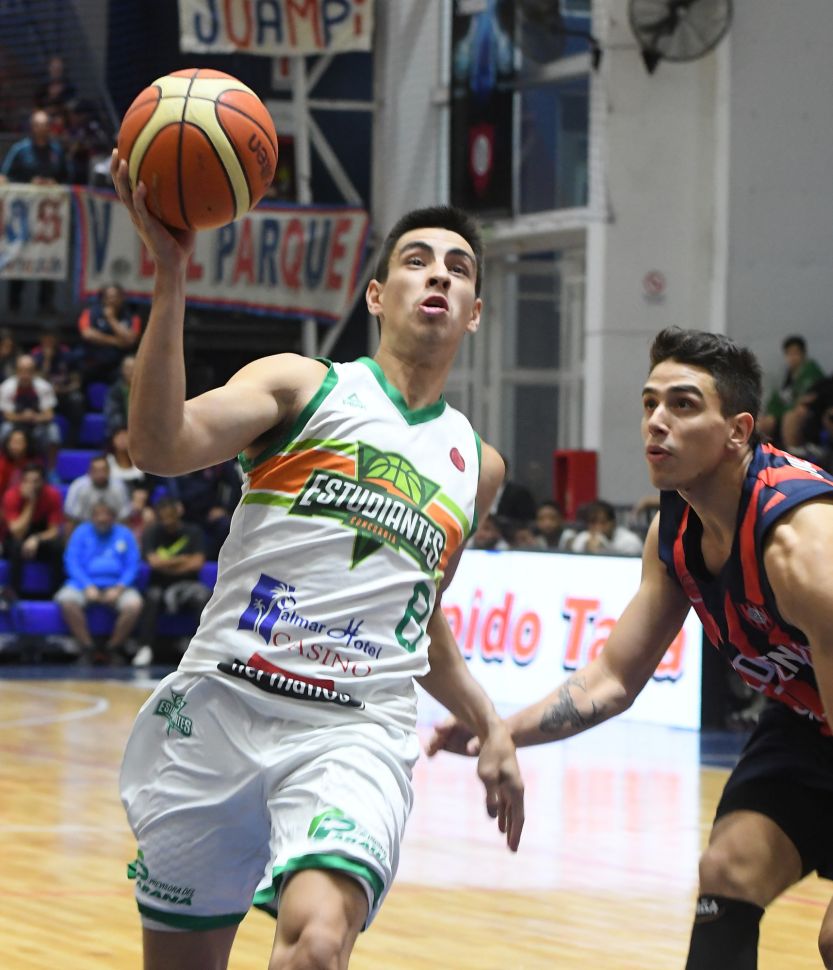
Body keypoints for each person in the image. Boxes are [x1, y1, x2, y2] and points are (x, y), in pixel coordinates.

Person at [111, 151, 524, 970]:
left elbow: (418, 617)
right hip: (221, 705)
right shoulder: (302, 385)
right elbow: (158, 446)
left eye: (458, 269)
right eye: (417, 260)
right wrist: (169, 277)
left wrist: (490, 724)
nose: (438, 276)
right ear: (376, 295)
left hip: (352, 729)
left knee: (318, 941)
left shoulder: (478, 467)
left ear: (474, 312)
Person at [430, 326, 833, 970]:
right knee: (728, 869)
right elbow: (612, 679)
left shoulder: (803, 549)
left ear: (738, 431)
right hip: (808, 718)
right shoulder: (675, 533)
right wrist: (500, 731)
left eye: (683, 404)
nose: (657, 422)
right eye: (650, 403)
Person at [55, 498, 143, 663]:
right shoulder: (81, 532)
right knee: (67, 600)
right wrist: (87, 585)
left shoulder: (125, 534)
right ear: (92, 517)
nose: (102, 519)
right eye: (98, 515)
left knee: (134, 604)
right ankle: (88, 648)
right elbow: (71, 562)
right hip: (83, 584)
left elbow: (133, 565)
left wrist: (119, 588)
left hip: (118, 585)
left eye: (106, 515)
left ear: (113, 517)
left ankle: (112, 648)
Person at [132, 496, 212, 668]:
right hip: (160, 585)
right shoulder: (152, 532)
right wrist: (183, 559)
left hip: (188, 585)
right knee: (151, 597)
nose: (167, 522)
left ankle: (204, 649)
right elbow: (154, 562)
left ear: (178, 514)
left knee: (203, 596)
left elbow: (197, 562)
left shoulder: (193, 532)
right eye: (163, 518)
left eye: (170, 517)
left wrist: (166, 564)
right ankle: (145, 648)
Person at [1, 462, 64, 602]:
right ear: (21, 481)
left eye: (36, 481)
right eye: (27, 481)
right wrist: (31, 502)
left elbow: (54, 530)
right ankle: (13, 594)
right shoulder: (11, 495)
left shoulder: (52, 494)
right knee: (16, 546)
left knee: (58, 547)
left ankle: (56, 593)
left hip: (39, 537)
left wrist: (36, 538)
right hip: (16, 538)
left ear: (43, 481)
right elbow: (17, 532)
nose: (32, 485)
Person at [758, 335, 825, 449]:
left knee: (790, 416)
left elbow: (811, 396)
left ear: (803, 354)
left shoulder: (812, 371)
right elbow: (777, 398)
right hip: (782, 411)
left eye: (796, 353)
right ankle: (761, 451)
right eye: (789, 354)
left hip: (805, 412)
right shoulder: (786, 375)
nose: (792, 357)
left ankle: (793, 452)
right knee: (764, 421)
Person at [0, 354, 62, 470]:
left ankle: (51, 469)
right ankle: (3, 466)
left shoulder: (44, 387)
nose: (25, 374)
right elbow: (7, 415)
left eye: (29, 370)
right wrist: (23, 417)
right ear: (16, 370)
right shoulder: (6, 387)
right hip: (15, 424)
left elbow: (49, 415)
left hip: (37, 423)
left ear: (34, 371)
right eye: (22, 370)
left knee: (53, 432)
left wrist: (34, 417)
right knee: (4, 430)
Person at [31, 322, 85, 446]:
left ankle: (72, 443)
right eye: (46, 339)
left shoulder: (67, 354)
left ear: (57, 339)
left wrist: (63, 390)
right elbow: (35, 381)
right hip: (43, 396)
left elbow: (77, 382)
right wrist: (47, 361)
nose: (49, 343)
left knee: (77, 400)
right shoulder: (35, 355)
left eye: (51, 339)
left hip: (64, 394)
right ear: (41, 339)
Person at [75, 284, 141, 385]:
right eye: (108, 297)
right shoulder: (90, 312)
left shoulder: (132, 316)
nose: (112, 300)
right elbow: (87, 334)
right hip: (93, 361)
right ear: (103, 299)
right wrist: (116, 341)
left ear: (122, 298)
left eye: (115, 296)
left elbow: (131, 340)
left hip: (118, 365)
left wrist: (111, 318)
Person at [63, 453, 131, 529]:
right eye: (96, 470)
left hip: (113, 529)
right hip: (84, 528)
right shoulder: (79, 487)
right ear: (89, 471)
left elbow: (125, 516)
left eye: (103, 470)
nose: (100, 474)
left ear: (109, 471)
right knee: (69, 525)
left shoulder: (119, 487)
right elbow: (71, 515)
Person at [568, 498, 644, 556]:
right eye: (593, 522)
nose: (598, 527)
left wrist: (603, 549)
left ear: (613, 523)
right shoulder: (584, 538)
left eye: (603, 522)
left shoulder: (630, 541)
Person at [103, 353, 134, 436]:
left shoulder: (144, 392)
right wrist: (121, 430)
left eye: (134, 368)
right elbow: (112, 414)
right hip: (120, 430)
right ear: (122, 370)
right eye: (128, 368)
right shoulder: (115, 390)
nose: (131, 372)